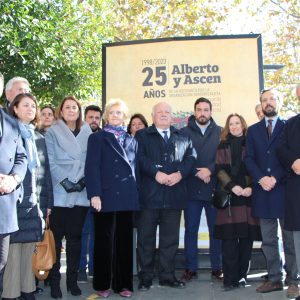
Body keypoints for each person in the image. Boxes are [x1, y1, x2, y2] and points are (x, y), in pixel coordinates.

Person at [135, 101, 196, 291]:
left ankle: (167, 276)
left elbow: (191, 158)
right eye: (159, 112)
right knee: (146, 240)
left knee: (170, 240)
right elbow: (139, 158)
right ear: (152, 116)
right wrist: (156, 173)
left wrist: (180, 174)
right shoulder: (142, 135)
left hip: (174, 196)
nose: (163, 115)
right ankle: (145, 277)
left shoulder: (183, 136)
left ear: (172, 116)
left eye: (167, 112)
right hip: (149, 196)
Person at [245, 88, 298, 298]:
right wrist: (261, 178)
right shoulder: (254, 130)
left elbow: (291, 156)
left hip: (285, 190)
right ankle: (274, 278)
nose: (268, 103)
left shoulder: (290, 125)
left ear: (280, 102)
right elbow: (249, 158)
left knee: (289, 239)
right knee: (268, 240)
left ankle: (293, 280)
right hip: (263, 190)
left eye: (272, 99)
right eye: (264, 99)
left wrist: (275, 177)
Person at [85, 98, 139, 298]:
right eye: (112, 112)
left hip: (127, 197)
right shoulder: (98, 138)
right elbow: (91, 168)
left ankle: (123, 284)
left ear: (124, 116)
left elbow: (135, 171)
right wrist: (95, 194)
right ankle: (102, 284)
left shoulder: (132, 139)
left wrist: (136, 196)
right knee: (104, 242)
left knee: (124, 243)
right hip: (105, 196)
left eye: (119, 112)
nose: (115, 115)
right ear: (107, 116)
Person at [2, 93, 53, 300]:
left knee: (29, 248)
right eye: (25, 105)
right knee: (12, 252)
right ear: (14, 108)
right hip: (13, 200)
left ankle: (28, 290)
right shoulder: (10, 131)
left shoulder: (38, 136)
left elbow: (45, 172)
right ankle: (11, 294)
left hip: (35, 202)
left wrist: (48, 202)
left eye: (33, 105)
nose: (31, 109)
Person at [45, 96, 91, 298]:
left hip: (80, 192)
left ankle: (72, 281)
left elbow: (92, 159)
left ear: (79, 111)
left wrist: (82, 182)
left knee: (75, 239)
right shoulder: (52, 131)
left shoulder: (88, 130)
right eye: (67, 107)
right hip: (59, 191)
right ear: (61, 111)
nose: (72, 110)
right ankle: (55, 282)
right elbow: (50, 160)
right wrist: (65, 181)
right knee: (55, 241)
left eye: (75, 107)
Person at [214, 113, 261, 290]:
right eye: (231, 124)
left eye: (237, 123)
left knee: (246, 240)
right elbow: (218, 169)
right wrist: (233, 187)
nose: (234, 126)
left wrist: (250, 187)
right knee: (229, 241)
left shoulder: (252, 143)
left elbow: (257, 167)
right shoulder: (222, 145)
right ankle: (229, 279)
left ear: (243, 125)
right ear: (228, 127)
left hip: (249, 195)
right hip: (230, 196)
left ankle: (241, 277)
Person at [180, 97, 223, 282]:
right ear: (194, 111)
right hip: (191, 188)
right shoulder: (182, 132)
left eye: (206, 109)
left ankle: (217, 267)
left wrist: (210, 170)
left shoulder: (221, 132)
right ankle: (190, 268)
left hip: (214, 188)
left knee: (216, 231)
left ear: (211, 112)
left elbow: (225, 158)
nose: (202, 113)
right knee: (191, 230)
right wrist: (197, 172)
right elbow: (180, 157)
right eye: (199, 109)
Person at [0, 76, 27, 298]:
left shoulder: (10, 122)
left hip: (4, 206)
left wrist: (14, 178)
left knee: (1, 261)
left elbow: (21, 158)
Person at [277, 84, 300, 299]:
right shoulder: (291, 124)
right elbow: (281, 148)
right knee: (295, 239)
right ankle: (296, 282)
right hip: (296, 191)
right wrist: (293, 161)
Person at [77, 105, 103, 283]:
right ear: (85, 118)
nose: (94, 120)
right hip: (81, 193)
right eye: (90, 117)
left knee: (97, 233)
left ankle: (95, 267)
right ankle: (81, 269)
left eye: (97, 117)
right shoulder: (78, 136)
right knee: (83, 232)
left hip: (100, 194)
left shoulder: (104, 137)